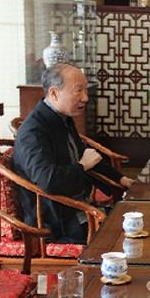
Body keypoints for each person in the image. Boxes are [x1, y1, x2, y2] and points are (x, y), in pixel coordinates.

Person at [13, 63, 134, 244]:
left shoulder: (61, 119)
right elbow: (48, 181)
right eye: (78, 91)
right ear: (54, 93)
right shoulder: (33, 131)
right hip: (56, 223)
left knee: (135, 217)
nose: (85, 98)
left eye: (85, 90)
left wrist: (121, 179)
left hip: (78, 210)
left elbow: (87, 155)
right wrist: (82, 166)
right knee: (129, 232)